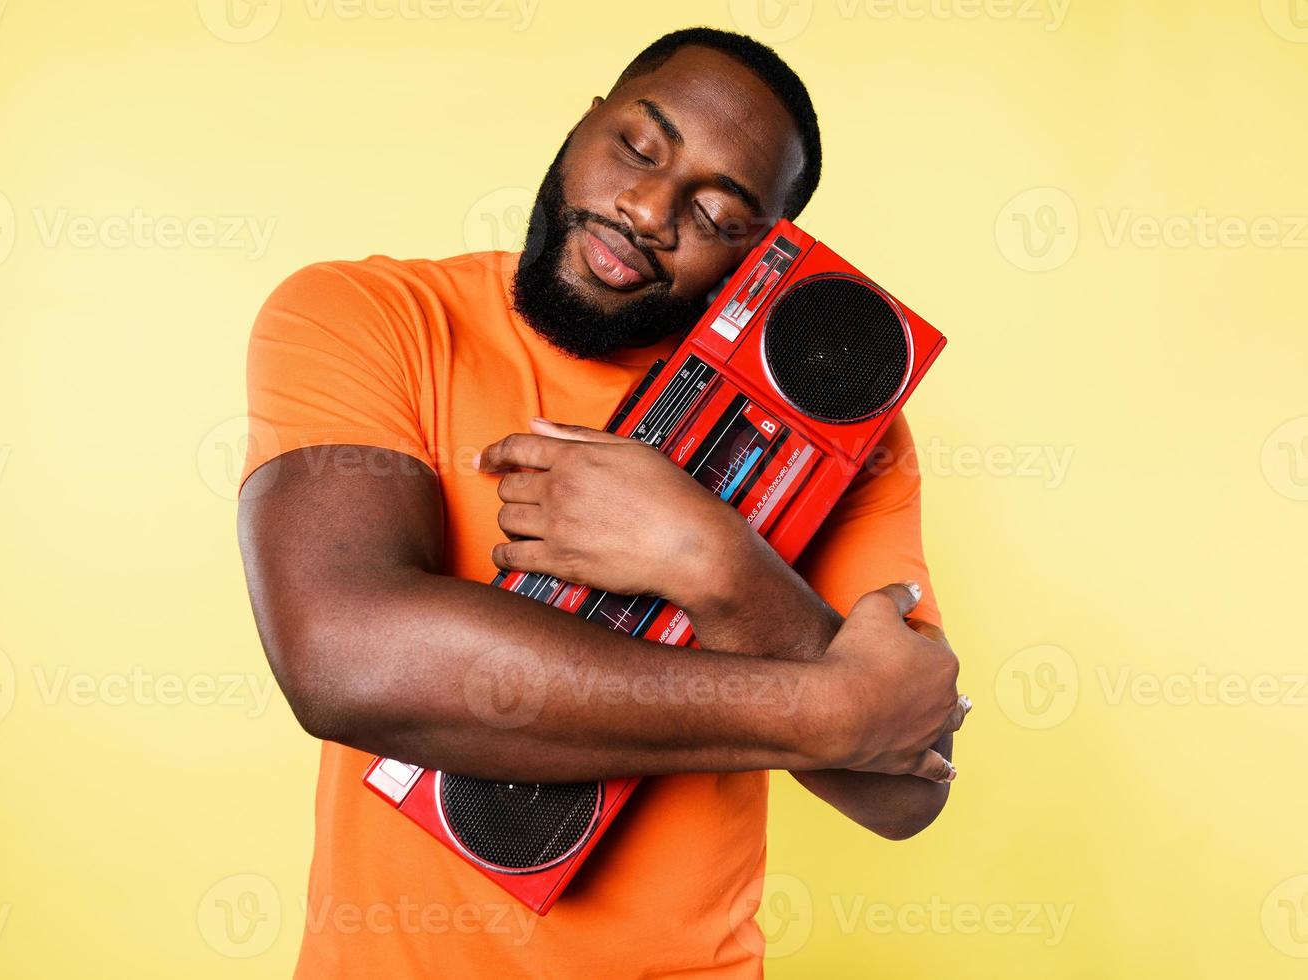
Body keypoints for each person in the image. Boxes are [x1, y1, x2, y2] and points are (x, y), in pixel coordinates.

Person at [237, 27, 968, 978]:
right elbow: (343, 658)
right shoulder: (371, 317)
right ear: (588, 120)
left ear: (769, 255)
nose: (647, 210)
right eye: (638, 146)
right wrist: (829, 715)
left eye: (717, 211)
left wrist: (710, 560)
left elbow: (904, 795)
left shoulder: (832, 426)